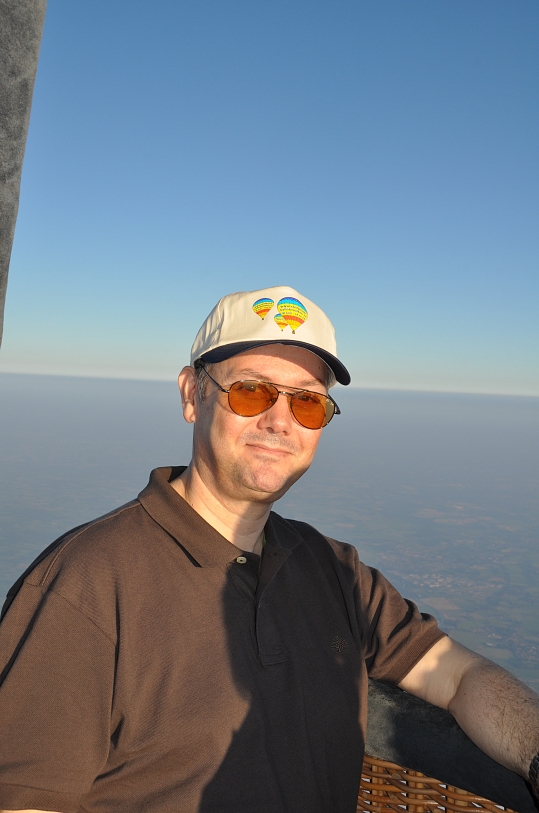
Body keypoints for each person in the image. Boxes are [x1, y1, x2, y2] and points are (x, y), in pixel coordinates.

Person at [0, 285, 538, 813]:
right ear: (191, 394)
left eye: (308, 402)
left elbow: (458, 675)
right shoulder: (85, 583)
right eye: (251, 391)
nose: (279, 420)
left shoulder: (335, 570)